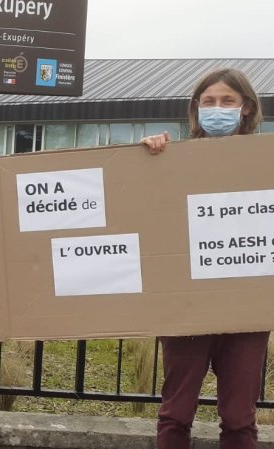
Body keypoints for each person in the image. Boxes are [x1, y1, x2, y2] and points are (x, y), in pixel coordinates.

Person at [141, 68, 269, 449]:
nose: (218, 109)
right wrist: (146, 159)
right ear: (196, 108)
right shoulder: (172, 157)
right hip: (186, 305)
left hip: (247, 307)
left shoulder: (266, 160)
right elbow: (142, 206)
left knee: (239, 418)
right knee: (175, 414)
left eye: (227, 101)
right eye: (208, 101)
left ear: (245, 108)